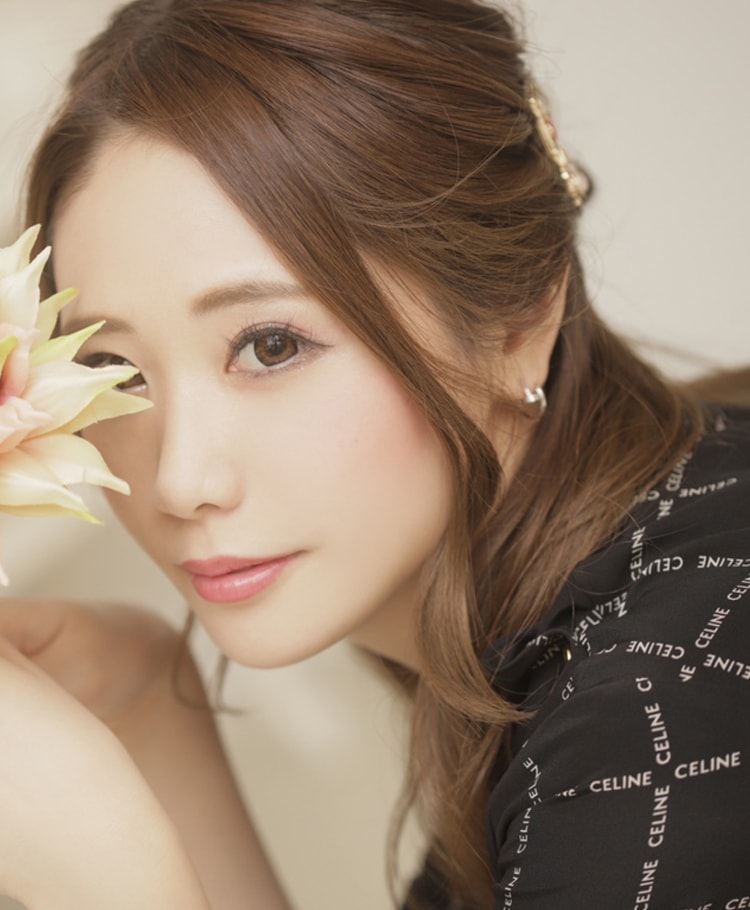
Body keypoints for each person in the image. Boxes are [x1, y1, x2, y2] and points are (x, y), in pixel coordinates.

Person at [1, 0, 749, 907]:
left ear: (520, 316)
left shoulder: (661, 704)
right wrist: (146, 714)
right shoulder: (607, 597)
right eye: (112, 370)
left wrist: (107, 873)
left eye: (270, 345)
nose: (179, 480)